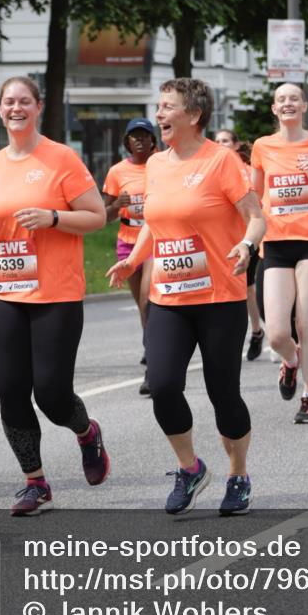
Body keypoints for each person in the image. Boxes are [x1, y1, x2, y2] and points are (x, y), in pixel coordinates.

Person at [108, 79, 265, 516]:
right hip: (169, 298)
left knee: (223, 394)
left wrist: (247, 246)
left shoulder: (223, 161)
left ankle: (238, 475)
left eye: (167, 107)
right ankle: (190, 467)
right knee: (162, 386)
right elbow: (153, 224)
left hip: (219, 296)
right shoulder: (156, 164)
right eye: (158, 106)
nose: (159, 115)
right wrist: (133, 260)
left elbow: (256, 217)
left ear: (193, 115)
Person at [0, 76, 110, 515]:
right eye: (8, 101)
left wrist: (52, 217)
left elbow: (97, 216)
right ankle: (35, 482)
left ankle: (87, 432)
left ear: (38, 108)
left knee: (50, 393)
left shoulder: (60, 158)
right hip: (5, 290)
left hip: (55, 292)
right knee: (11, 391)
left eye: (23, 101)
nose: (15, 108)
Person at [251, 83, 308, 424]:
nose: (288, 103)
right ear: (275, 109)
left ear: (304, 105)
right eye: (281, 99)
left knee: (306, 324)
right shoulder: (262, 146)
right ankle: (290, 362)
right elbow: (254, 198)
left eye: (294, 98)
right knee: (277, 332)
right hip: (275, 243)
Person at [103, 119, 158, 396]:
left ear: (152, 141)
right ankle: (152, 346)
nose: (139, 141)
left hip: (156, 242)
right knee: (141, 304)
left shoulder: (162, 164)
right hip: (127, 240)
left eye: (144, 136)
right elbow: (104, 215)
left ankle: (153, 368)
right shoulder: (117, 171)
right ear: (127, 142)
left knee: (149, 300)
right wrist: (116, 205)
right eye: (134, 137)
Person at [215, 128, 265, 361]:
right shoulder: (212, 171)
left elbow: (257, 205)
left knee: (246, 288)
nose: (220, 144)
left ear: (235, 145)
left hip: (246, 237)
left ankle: (255, 331)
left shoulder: (246, 172)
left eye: (225, 140)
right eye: (217, 141)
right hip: (219, 238)